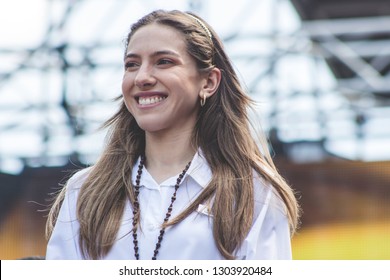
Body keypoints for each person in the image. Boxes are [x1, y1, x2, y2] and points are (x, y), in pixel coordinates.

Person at [45, 9, 300, 260]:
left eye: (163, 62)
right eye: (132, 64)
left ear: (209, 82)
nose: (142, 77)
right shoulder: (83, 190)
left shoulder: (254, 190)